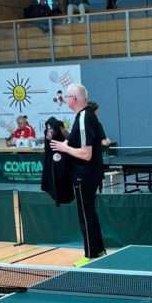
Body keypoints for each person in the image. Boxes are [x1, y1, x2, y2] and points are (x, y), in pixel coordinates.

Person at [49, 83, 106, 261]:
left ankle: (90, 255)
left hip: (84, 175)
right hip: (88, 174)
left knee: (85, 215)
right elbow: (77, 143)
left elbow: (86, 154)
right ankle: (98, 251)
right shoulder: (84, 116)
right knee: (89, 213)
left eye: (66, 97)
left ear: (73, 99)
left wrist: (64, 149)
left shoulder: (84, 118)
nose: (65, 100)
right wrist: (64, 144)